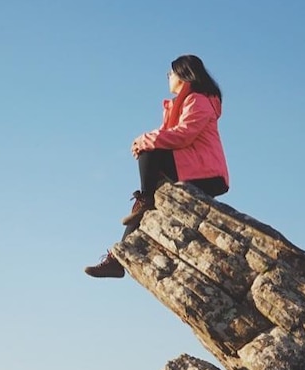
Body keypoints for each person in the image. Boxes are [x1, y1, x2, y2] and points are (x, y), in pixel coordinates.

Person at [84, 54, 229, 278]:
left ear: (183, 74)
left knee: (149, 154)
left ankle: (145, 201)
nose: (168, 77)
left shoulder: (198, 99)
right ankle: (118, 259)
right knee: (145, 201)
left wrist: (144, 140)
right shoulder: (183, 103)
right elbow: (170, 137)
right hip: (191, 167)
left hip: (207, 173)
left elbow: (183, 136)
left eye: (170, 73)